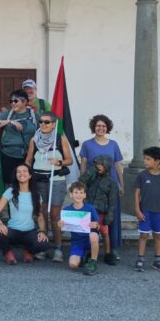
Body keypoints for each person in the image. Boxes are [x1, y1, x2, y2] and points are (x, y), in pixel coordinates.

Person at [25, 111, 72, 262]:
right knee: (41, 214)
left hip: (56, 179)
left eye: (47, 122)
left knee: (54, 215)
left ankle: (58, 248)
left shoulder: (60, 138)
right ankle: (43, 246)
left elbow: (69, 160)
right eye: (41, 122)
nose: (43, 124)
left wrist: (58, 162)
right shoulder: (34, 139)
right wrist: (23, 173)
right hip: (38, 180)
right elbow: (28, 159)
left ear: (53, 124)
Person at [79, 114, 124, 262]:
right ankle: (89, 249)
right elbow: (84, 164)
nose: (101, 128)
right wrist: (82, 186)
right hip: (92, 186)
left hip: (110, 186)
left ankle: (112, 250)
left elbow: (118, 165)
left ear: (107, 128)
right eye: (98, 125)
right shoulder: (87, 144)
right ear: (94, 127)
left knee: (111, 218)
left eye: (103, 126)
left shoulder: (114, 144)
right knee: (91, 218)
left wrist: (121, 184)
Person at [0, 164, 49, 265]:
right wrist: (0, 224)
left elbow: (40, 217)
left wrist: (42, 231)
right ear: (16, 175)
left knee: (44, 243)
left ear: (30, 175)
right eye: (18, 171)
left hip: (29, 231)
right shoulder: (10, 192)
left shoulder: (36, 194)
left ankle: (29, 251)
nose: (21, 173)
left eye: (24, 171)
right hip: (13, 230)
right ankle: (8, 253)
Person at [133, 146, 160, 272]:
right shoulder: (142, 176)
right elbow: (137, 193)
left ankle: (158, 260)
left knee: (158, 235)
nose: (145, 161)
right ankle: (140, 259)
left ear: (157, 161)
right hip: (145, 210)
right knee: (144, 235)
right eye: (144, 159)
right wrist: (137, 209)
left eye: (148, 159)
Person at [0, 89, 38, 188]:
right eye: (11, 101)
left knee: (27, 182)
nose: (12, 103)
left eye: (16, 101)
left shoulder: (33, 115)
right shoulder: (8, 114)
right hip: (9, 154)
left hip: (28, 155)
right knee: (10, 183)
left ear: (24, 102)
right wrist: (9, 122)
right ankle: (10, 203)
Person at [79, 155, 119, 265]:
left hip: (102, 213)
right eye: (97, 164)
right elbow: (81, 181)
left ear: (107, 166)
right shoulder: (91, 178)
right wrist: (91, 169)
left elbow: (112, 201)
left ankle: (108, 253)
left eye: (101, 164)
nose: (99, 167)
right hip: (90, 212)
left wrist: (110, 215)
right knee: (89, 233)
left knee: (105, 233)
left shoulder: (111, 182)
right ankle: (88, 253)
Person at [58, 182, 100, 276]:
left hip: (89, 238)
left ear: (84, 195)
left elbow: (98, 225)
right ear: (71, 194)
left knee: (93, 235)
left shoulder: (90, 208)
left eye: (81, 192)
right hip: (77, 241)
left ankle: (93, 262)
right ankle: (83, 258)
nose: (78, 195)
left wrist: (95, 225)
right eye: (76, 192)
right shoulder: (67, 210)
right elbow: (63, 230)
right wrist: (60, 225)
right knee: (73, 264)